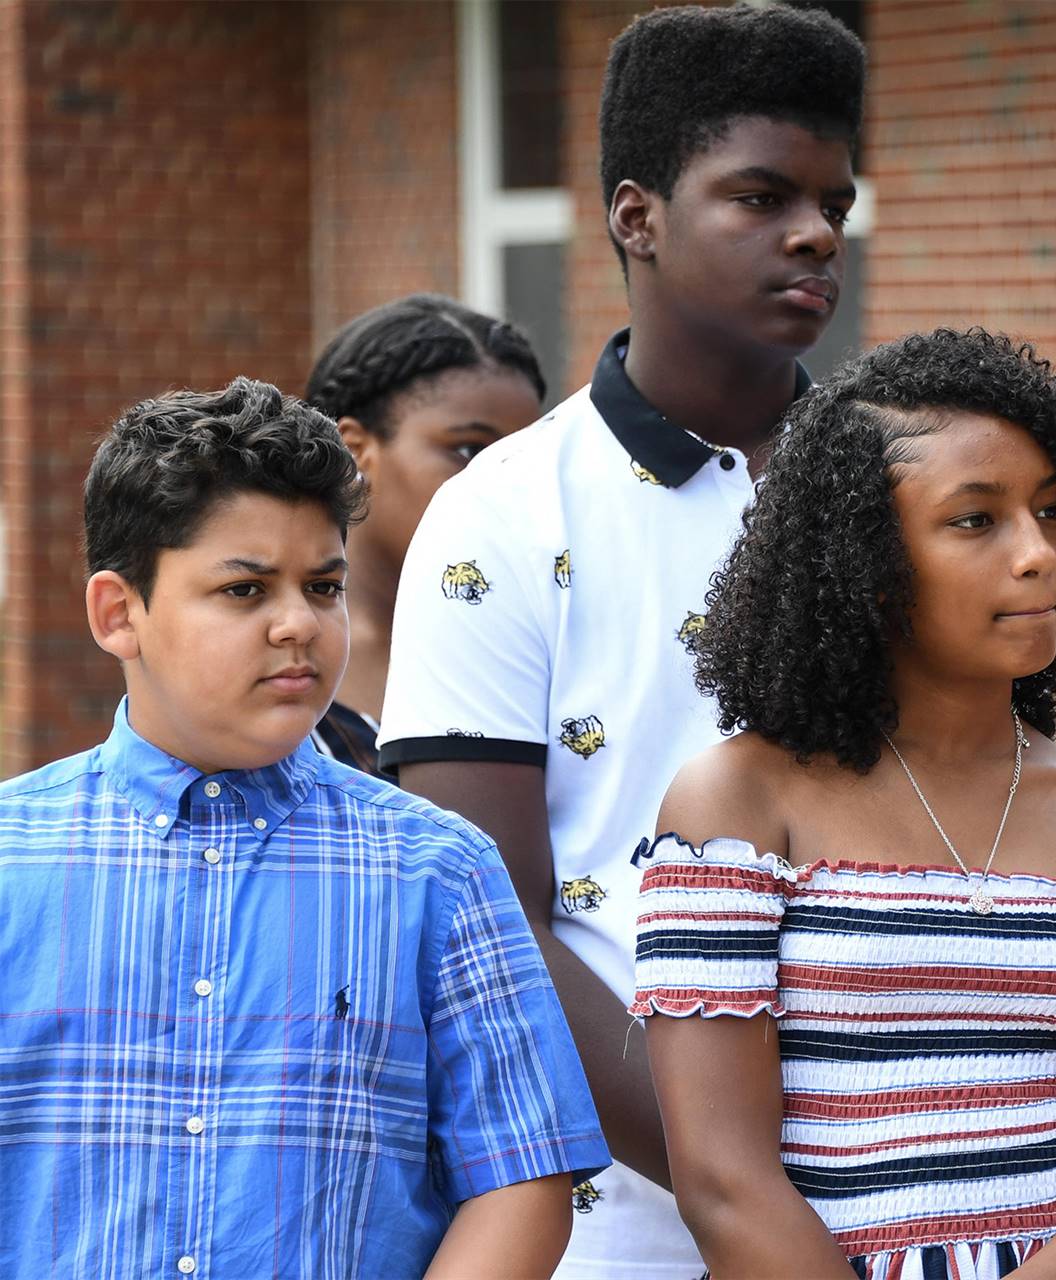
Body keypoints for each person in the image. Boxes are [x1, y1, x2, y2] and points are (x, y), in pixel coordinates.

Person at [375, 7, 866, 1276]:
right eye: (759, 195)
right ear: (636, 216)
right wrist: (742, 1195)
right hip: (624, 1224)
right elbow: (490, 914)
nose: (815, 233)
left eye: (832, 201)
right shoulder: (502, 511)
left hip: (907, 1191)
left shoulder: (905, 493)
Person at [631, 328, 1056, 1279]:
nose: (1037, 555)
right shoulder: (737, 808)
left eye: (1054, 512)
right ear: (862, 562)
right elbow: (722, 1178)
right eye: (976, 520)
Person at [0, 378, 609, 1277]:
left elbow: (521, 1178)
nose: (298, 624)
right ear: (117, 614)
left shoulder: (437, 871)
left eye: (322, 586)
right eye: (244, 590)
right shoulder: (14, 858)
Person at [302, 293, 546, 773]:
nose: (508, 479)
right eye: (470, 450)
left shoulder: (538, 635)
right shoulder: (280, 641)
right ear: (355, 451)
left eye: (526, 456)